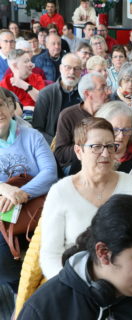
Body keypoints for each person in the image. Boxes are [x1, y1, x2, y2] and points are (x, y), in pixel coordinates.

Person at [40, 117, 132, 279]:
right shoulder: (60, 192)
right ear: (79, 151)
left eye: (110, 146)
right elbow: (50, 255)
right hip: (77, 279)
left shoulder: (131, 185)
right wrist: (69, 285)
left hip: (128, 277)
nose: (105, 154)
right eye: (96, 147)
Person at [0, 87, 57, 294]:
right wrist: (3, 188)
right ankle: (22, 291)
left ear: (9, 105)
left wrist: (22, 193)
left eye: (0, 105)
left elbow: (50, 173)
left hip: (38, 204)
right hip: (3, 212)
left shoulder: (32, 136)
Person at [54, 72, 108, 172]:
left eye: (107, 87)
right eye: (102, 88)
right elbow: (60, 154)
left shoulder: (110, 113)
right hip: (78, 164)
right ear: (87, 93)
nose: (108, 92)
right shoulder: (68, 115)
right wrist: (89, 148)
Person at [32, 53, 82, 144]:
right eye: (68, 67)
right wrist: (55, 144)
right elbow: (37, 129)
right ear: (60, 68)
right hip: (53, 144)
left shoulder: (85, 94)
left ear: (81, 71)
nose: (72, 72)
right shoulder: (46, 94)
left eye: (76, 68)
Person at [0, 49, 45, 119]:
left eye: (30, 60)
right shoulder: (5, 84)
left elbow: (43, 101)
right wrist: (27, 108)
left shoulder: (37, 78)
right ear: (15, 66)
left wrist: (23, 85)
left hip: (38, 118)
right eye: (26, 61)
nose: (31, 64)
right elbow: (7, 110)